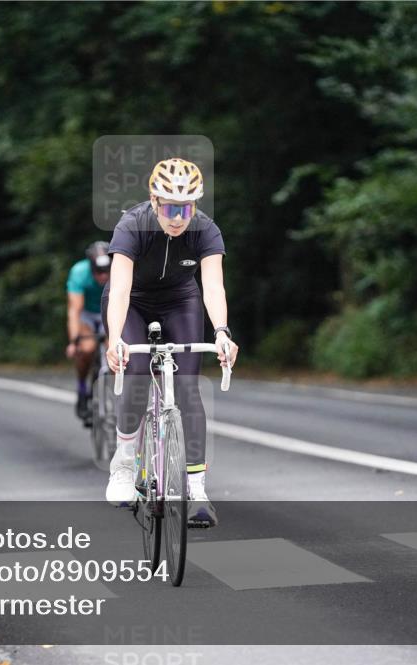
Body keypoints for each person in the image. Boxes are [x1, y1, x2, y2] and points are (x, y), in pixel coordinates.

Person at [103, 158, 239, 528]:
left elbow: (212, 287)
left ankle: (197, 491)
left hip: (180, 300)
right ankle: (125, 464)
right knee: (135, 374)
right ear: (153, 200)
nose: (177, 217)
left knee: (189, 388)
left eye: (186, 207)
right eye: (169, 207)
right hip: (132, 301)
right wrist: (116, 340)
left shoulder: (206, 230)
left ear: (195, 205)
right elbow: (119, 290)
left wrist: (222, 332)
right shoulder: (132, 225)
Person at [66, 241, 111, 423]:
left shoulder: (120, 269)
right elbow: (74, 310)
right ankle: (83, 389)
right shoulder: (79, 272)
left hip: (109, 311)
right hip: (87, 313)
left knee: (115, 351)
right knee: (86, 348)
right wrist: (73, 341)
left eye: (106, 271)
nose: (103, 276)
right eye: (98, 272)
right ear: (91, 267)